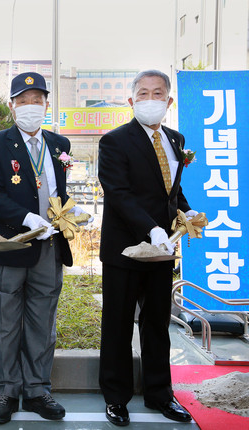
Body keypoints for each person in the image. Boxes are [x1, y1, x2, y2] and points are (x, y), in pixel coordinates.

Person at [0, 72, 90, 424]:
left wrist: (70, 213)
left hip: (48, 247)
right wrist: (27, 218)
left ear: (46, 104)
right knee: (4, 323)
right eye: (23, 100)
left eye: (37, 100)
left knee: (43, 320)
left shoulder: (60, 145)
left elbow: (59, 190)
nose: (31, 107)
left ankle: (38, 390)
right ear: (11, 106)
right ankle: (7, 391)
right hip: (10, 247)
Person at [98, 69, 195, 426]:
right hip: (125, 251)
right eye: (143, 93)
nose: (150, 99)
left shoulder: (176, 139)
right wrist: (151, 228)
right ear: (131, 100)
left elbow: (170, 191)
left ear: (168, 102)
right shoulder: (114, 141)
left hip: (162, 250)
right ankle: (115, 398)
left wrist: (187, 210)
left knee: (156, 324)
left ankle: (159, 395)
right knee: (118, 324)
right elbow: (119, 195)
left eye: (157, 93)